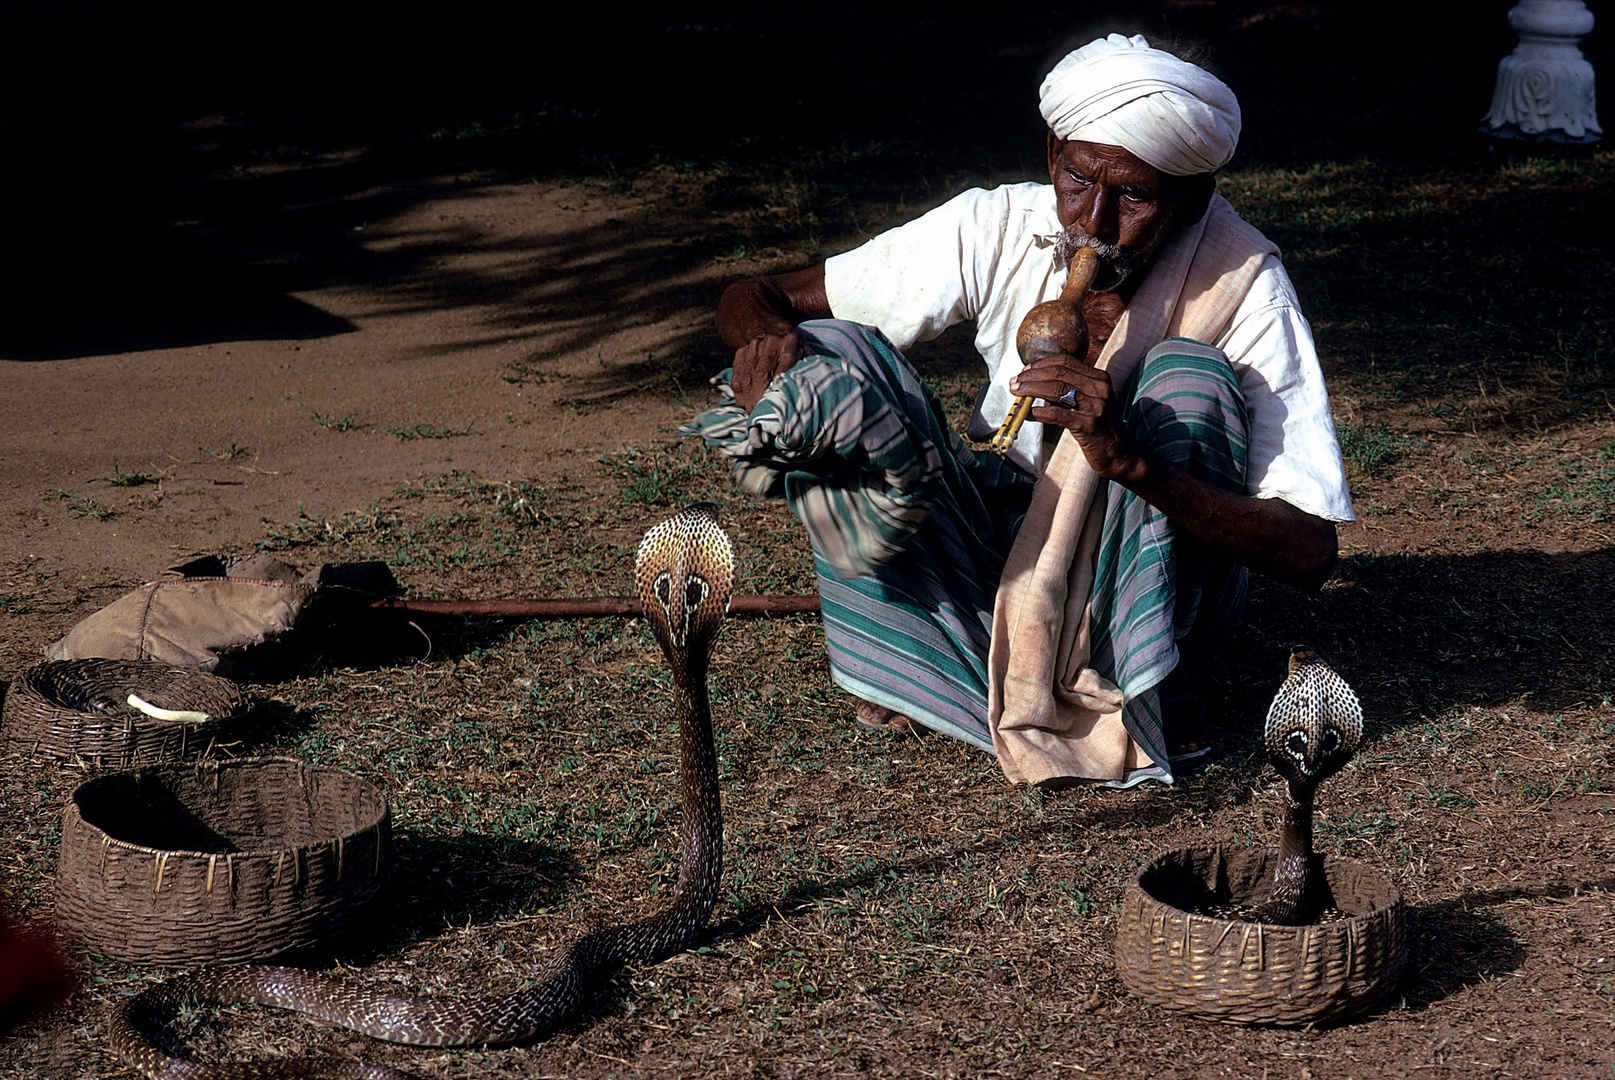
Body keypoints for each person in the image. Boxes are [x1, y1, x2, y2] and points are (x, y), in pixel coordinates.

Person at [685, 34, 1353, 789]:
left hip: (1141, 582)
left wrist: (1131, 460)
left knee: (1185, 378)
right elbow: (756, 295)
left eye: (1133, 198)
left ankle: (1133, 689)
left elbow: (1307, 552)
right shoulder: (1001, 225)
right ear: (1050, 156)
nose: (1093, 223)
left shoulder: (1242, 283)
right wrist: (769, 341)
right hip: (1005, 542)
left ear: (1192, 198)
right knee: (836, 351)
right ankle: (989, 674)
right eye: (1076, 179)